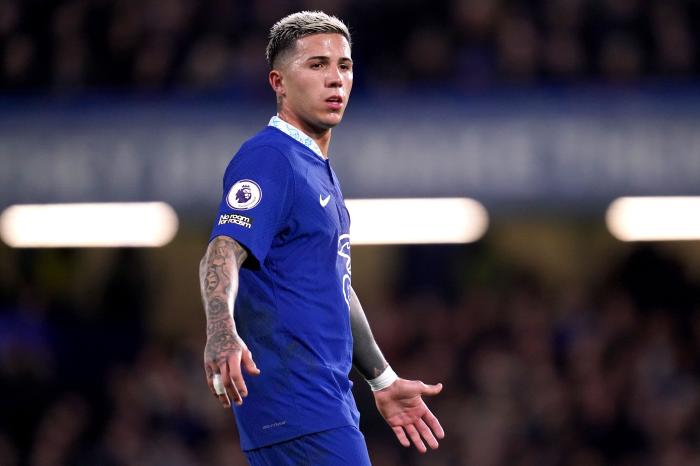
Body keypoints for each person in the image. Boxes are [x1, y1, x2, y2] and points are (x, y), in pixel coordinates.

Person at [198, 11, 444, 465]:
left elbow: (337, 286)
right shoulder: (271, 158)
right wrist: (221, 330)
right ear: (279, 82)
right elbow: (223, 249)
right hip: (301, 405)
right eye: (317, 65)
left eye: (344, 66)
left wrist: (382, 378)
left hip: (318, 406)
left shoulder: (314, 168)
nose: (335, 79)